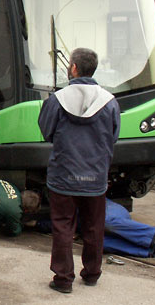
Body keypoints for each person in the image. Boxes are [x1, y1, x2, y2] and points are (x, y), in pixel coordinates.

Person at [38, 47, 121, 294]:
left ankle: (63, 279)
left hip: (63, 176)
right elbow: (113, 136)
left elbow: (46, 131)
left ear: (73, 68)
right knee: (94, 225)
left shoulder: (57, 100)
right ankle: (92, 273)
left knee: (63, 225)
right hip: (95, 176)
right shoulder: (109, 102)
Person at [32, 199, 155, 257]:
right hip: (95, 226)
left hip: (109, 211)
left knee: (104, 221)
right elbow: (55, 225)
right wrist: (34, 224)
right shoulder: (62, 215)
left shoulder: (71, 196)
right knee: (98, 243)